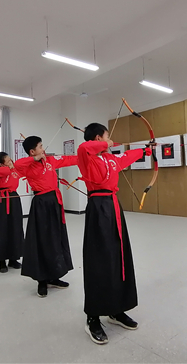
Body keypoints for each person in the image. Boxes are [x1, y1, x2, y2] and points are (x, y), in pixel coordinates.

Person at [77, 123, 151, 345]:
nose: (109, 140)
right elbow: (84, 147)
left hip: (113, 207)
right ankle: (93, 316)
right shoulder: (86, 156)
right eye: (107, 137)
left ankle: (116, 309)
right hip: (98, 208)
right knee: (99, 260)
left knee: (119, 258)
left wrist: (144, 151)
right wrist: (104, 144)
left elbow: (126, 157)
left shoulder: (110, 159)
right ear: (98, 138)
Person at [14, 136, 78, 298]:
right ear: (32, 151)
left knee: (55, 238)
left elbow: (69, 159)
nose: (43, 149)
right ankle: (42, 280)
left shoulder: (50, 161)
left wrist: (87, 156)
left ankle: (54, 276)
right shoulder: (28, 166)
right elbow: (17, 165)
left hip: (54, 201)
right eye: (40, 146)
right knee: (42, 241)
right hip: (41, 203)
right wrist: (34, 159)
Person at [0, 152, 24, 273]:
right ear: (0, 164)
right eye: (8, 161)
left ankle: (14, 258)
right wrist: (9, 167)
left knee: (15, 228)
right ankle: (2, 260)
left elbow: (24, 170)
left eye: (11, 160)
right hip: (2, 200)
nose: (11, 162)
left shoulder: (14, 171)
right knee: (2, 230)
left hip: (14, 199)